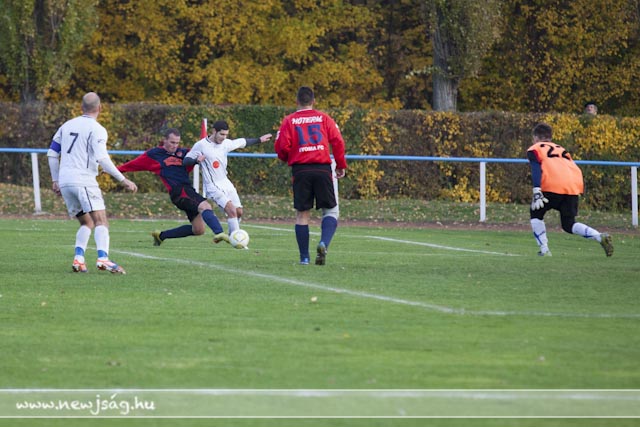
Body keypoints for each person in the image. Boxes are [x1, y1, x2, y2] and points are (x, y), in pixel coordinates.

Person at [47, 92, 138, 274]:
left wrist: (56, 180)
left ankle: (79, 259)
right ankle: (103, 259)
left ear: (82, 107)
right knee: (101, 220)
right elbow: (102, 158)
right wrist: (123, 179)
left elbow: (52, 153)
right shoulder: (97, 129)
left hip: (65, 181)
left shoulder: (66, 125)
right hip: (83, 181)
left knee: (86, 222)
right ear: (100, 108)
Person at [117, 128, 229, 246]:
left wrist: (204, 154)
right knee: (205, 206)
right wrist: (115, 171)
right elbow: (132, 165)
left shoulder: (184, 153)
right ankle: (219, 233)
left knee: (198, 230)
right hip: (178, 191)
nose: (175, 146)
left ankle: (161, 236)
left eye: (177, 143)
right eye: (172, 142)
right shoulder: (154, 154)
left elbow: (202, 151)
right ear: (164, 140)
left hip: (187, 190)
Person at [274, 86, 347, 265]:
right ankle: (323, 243)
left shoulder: (289, 120)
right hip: (322, 168)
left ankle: (304, 258)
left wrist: (288, 157)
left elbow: (282, 147)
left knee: (302, 214)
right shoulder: (324, 118)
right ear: (313, 101)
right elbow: (338, 142)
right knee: (330, 210)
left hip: (301, 170)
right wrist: (340, 165)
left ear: (297, 101)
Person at [527, 122, 613, 257]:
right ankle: (598, 236)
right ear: (550, 137)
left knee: (536, 214)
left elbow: (536, 168)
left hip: (552, 184)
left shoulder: (535, 148)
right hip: (573, 186)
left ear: (536, 138)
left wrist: (537, 189)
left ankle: (544, 250)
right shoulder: (561, 149)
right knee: (569, 224)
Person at [183, 120, 272, 238]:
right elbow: (186, 161)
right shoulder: (201, 145)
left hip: (225, 182)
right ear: (214, 131)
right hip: (212, 185)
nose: (224, 137)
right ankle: (236, 239)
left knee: (238, 212)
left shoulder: (225, 143)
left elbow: (242, 142)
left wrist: (259, 140)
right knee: (231, 210)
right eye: (221, 134)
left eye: (226, 135)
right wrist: (196, 160)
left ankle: (232, 235)